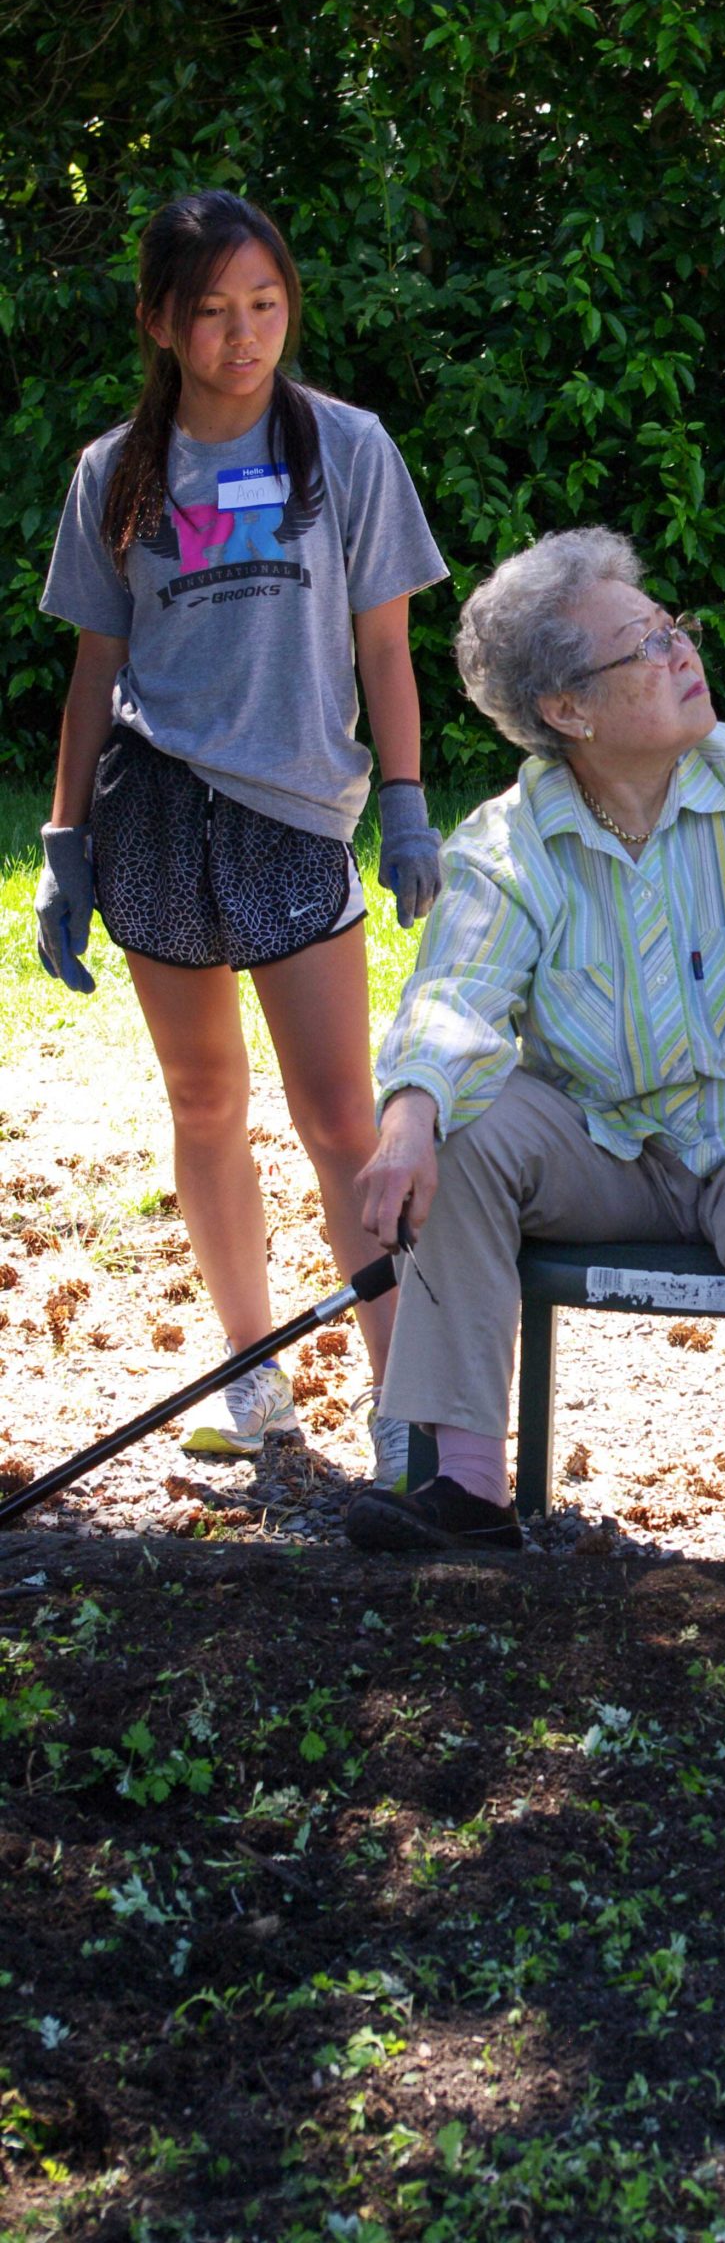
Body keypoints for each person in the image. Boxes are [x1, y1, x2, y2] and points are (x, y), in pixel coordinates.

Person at [344, 527, 725, 1565]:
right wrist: (409, 1118)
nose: (682, 653)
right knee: (459, 1127)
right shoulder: (509, 840)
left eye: (670, 629)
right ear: (568, 711)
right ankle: (467, 1493)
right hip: (611, 1139)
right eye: (644, 647)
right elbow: (454, 995)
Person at [36, 189, 447, 1479]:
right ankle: (252, 1378)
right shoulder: (116, 471)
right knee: (205, 1101)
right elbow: (98, 664)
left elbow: (386, 640)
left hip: (293, 816)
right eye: (211, 311)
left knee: (342, 1121)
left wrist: (405, 798)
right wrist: (64, 841)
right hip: (157, 810)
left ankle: (407, 1405)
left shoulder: (349, 446)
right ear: (161, 322)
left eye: (264, 304)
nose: (242, 335)